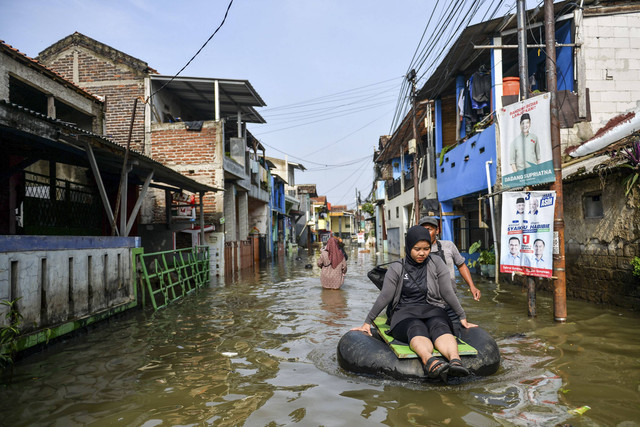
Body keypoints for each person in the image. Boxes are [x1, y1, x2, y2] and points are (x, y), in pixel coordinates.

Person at [352, 226, 478, 380]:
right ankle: (429, 360)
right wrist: (367, 322)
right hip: (404, 313)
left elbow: (447, 292)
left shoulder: (436, 262)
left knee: (440, 324)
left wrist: (461, 316)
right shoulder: (397, 268)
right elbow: (385, 296)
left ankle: (455, 361)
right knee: (416, 327)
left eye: (426, 249)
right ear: (409, 247)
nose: (422, 253)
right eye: (417, 249)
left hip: (432, 308)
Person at [418, 216, 480, 334]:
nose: (425, 233)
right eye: (422, 230)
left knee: (457, 331)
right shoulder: (417, 250)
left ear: (437, 231)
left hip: (449, 301)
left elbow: (461, 265)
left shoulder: (448, 246)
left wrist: (472, 286)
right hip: (427, 302)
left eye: (429, 229)